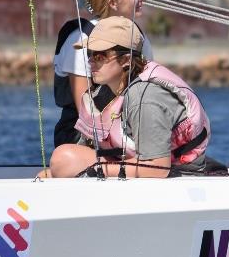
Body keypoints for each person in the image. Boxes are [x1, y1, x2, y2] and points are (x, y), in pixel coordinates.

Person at [45, 16, 210, 178]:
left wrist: (96, 169)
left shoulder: (146, 97)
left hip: (178, 176)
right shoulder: (104, 93)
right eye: (89, 54)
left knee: (64, 159)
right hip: (133, 167)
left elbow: (158, 168)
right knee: (56, 167)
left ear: (126, 59)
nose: (90, 62)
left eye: (100, 56)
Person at [52, 0, 151, 147]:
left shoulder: (137, 37)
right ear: (113, 3)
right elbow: (85, 111)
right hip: (80, 137)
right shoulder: (82, 39)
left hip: (127, 128)